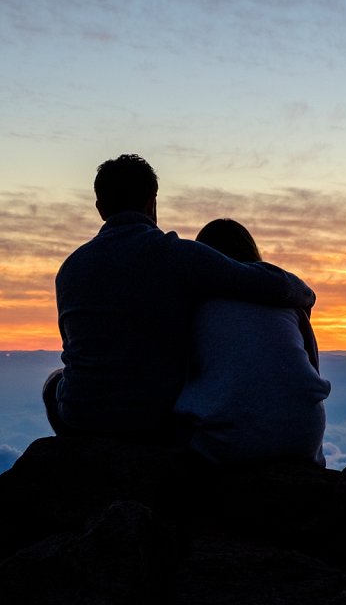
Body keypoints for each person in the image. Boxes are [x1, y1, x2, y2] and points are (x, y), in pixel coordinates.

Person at [43, 155, 316, 441]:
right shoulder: (179, 256)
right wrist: (305, 295)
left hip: (82, 416)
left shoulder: (70, 268)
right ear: (153, 201)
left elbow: (74, 347)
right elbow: (265, 283)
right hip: (156, 418)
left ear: (100, 208)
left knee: (54, 382)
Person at [173, 219, 330, 466]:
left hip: (232, 442)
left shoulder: (196, 307)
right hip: (304, 437)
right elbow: (312, 367)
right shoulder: (288, 303)